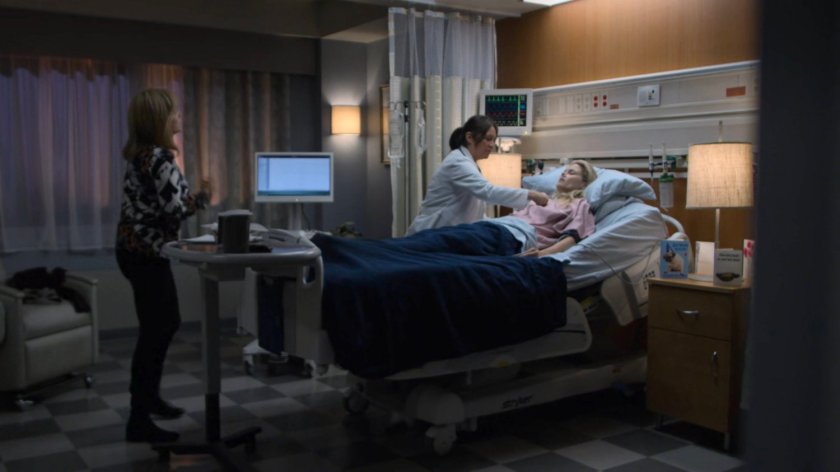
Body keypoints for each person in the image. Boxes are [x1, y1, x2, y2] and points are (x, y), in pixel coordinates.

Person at [115, 89, 209, 443]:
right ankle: (138, 418)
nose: (179, 117)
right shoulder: (158, 157)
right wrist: (200, 198)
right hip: (145, 254)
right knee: (160, 328)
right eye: (174, 112)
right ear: (160, 120)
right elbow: (175, 209)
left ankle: (148, 400)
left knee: (158, 327)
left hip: (133, 251)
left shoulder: (142, 155)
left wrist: (191, 197)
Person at [406, 115, 550, 235]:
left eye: (494, 140)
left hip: (448, 232)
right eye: (488, 139)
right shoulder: (457, 163)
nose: (492, 144)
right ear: (470, 137)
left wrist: (506, 222)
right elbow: (487, 192)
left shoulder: (469, 163)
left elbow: (477, 205)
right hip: (431, 231)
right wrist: (532, 195)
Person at [513, 160, 597, 257]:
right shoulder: (545, 199)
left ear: (584, 183)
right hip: (505, 224)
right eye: (564, 171)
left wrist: (541, 254)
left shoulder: (580, 204)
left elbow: (573, 237)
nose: (563, 174)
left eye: (571, 172)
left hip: (518, 235)